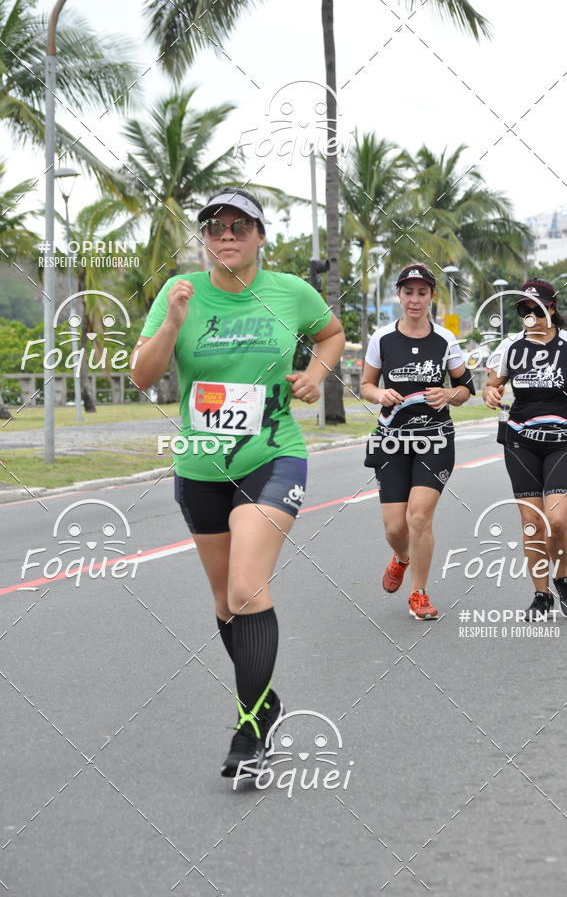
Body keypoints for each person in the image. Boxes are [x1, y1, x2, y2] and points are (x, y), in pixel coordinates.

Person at [130, 187, 345, 777]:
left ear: (259, 236)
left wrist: (317, 372)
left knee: (249, 588)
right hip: (201, 467)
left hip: (273, 456)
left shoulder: (290, 292)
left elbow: (332, 334)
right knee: (226, 601)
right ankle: (267, 700)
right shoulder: (180, 295)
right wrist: (171, 324)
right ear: (205, 238)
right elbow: (143, 376)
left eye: (239, 226)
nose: (226, 235)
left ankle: (250, 725)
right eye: (215, 227)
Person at [360, 263, 474, 621]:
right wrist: (380, 395)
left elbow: (467, 389)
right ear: (399, 295)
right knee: (396, 527)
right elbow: (365, 385)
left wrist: (448, 393)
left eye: (422, 292)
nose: (415, 299)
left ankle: (419, 593)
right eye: (408, 292)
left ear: (431, 296)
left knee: (419, 517)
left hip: (435, 439)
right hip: (392, 440)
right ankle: (402, 557)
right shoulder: (381, 338)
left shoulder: (445, 340)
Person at [483, 279, 567, 620]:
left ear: (551, 308)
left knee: (557, 519)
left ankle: (562, 576)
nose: (532, 316)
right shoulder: (509, 347)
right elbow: (493, 383)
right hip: (521, 441)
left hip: (564, 440)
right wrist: (491, 393)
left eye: (538, 309)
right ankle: (541, 594)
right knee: (532, 522)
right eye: (525, 310)